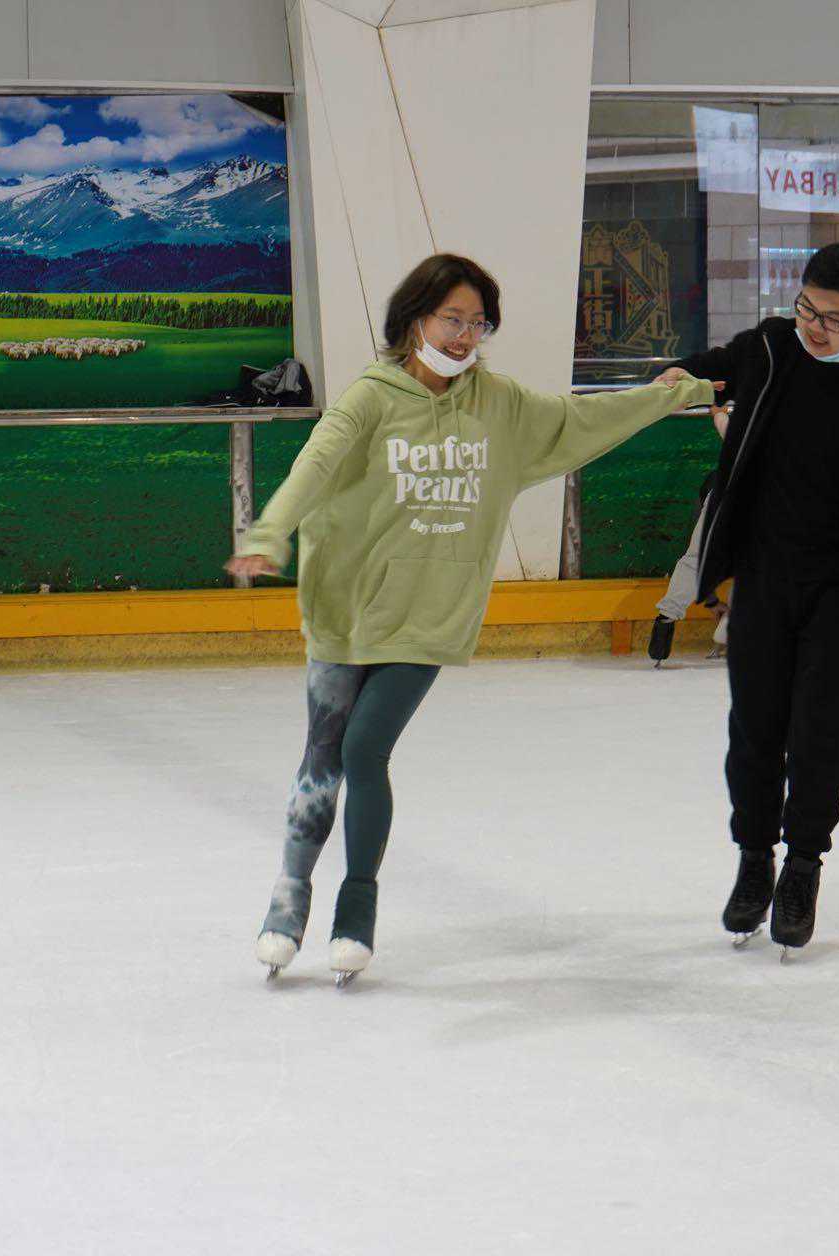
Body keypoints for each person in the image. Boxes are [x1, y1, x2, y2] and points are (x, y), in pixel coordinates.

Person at [226, 252, 720, 986]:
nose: (463, 336)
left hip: (432, 612)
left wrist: (678, 393)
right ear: (414, 320)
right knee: (322, 754)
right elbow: (315, 465)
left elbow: (583, 418)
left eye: (477, 323)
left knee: (365, 749)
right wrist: (269, 534)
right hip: (345, 607)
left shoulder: (501, 407)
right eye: (451, 319)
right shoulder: (369, 399)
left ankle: (356, 905)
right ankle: (289, 896)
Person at [657, 242, 839, 955]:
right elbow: (705, 371)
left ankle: (803, 868)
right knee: (754, 729)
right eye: (807, 308)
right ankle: (754, 859)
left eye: (834, 319)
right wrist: (676, 378)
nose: (814, 327)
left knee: (821, 735)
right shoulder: (770, 348)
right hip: (763, 575)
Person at [648, 402, 731, 666]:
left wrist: (718, 411)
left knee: (695, 560)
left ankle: (665, 621)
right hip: (768, 502)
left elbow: (727, 427)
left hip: (727, 494)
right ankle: (734, 624)